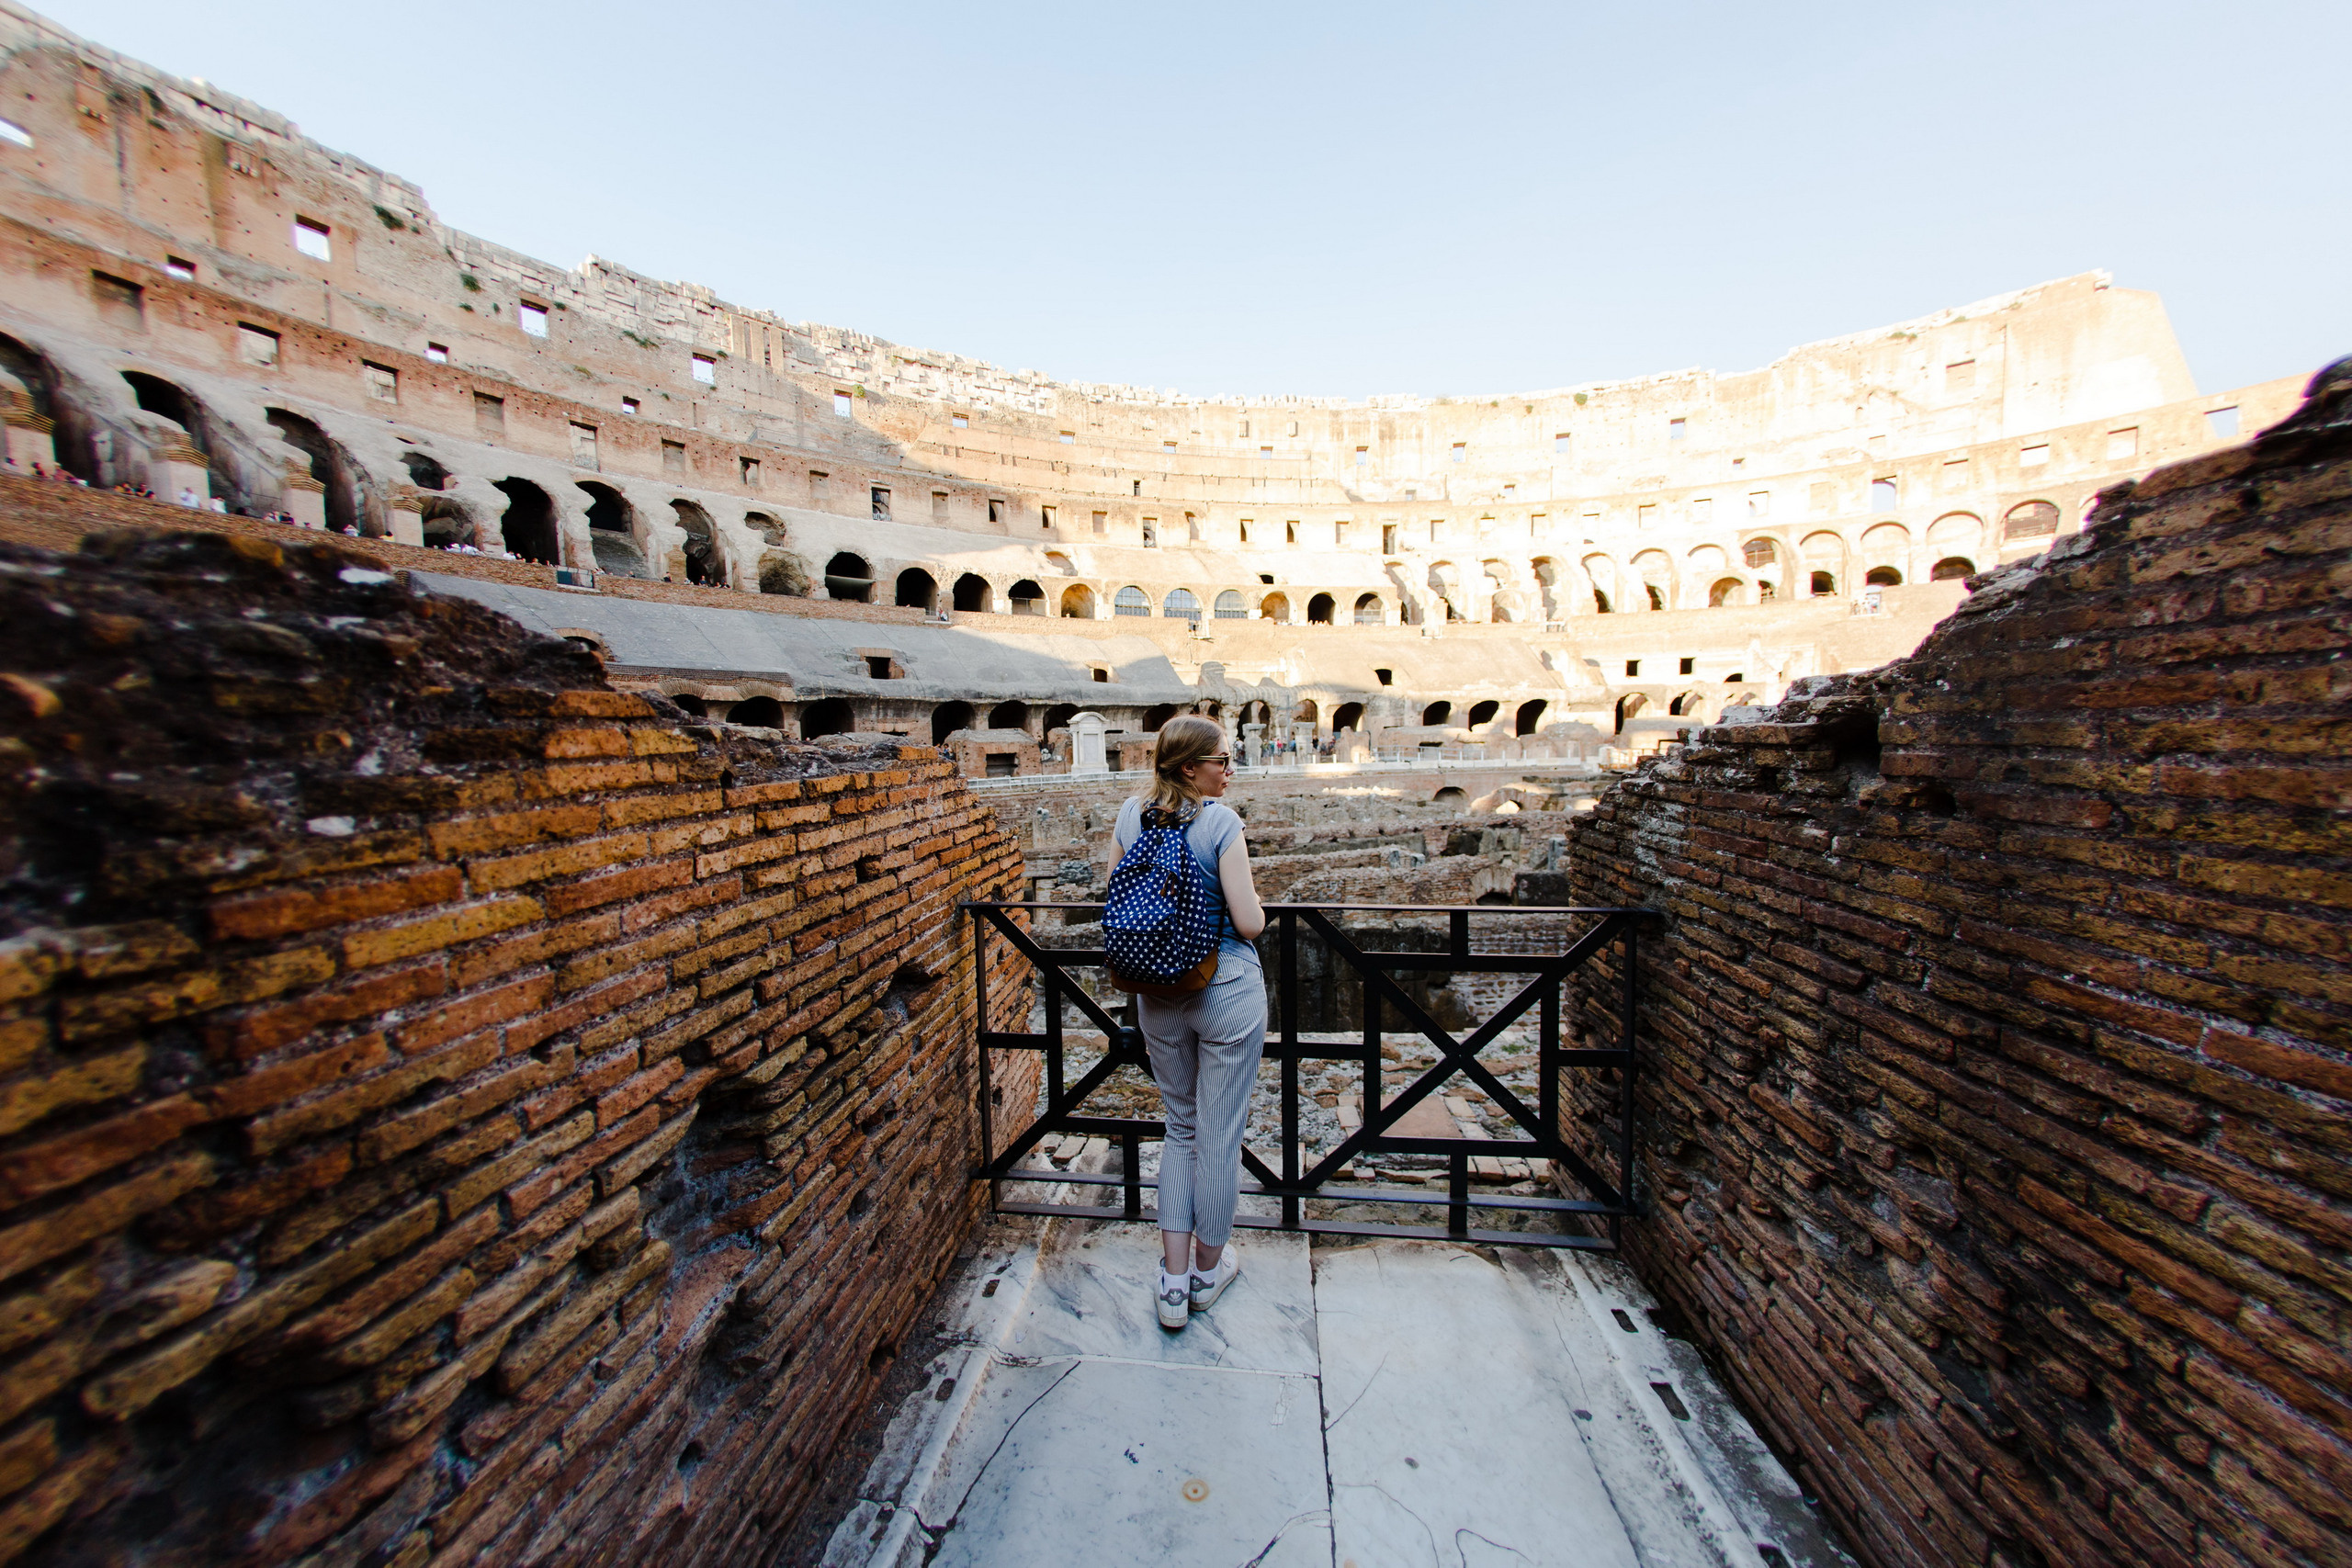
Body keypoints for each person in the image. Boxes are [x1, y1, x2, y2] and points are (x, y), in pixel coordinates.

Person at [1112, 715, 1267, 1331]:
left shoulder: (1130, 815)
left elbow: (1115, 895)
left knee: (1181, 1128)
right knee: (1220, 1135)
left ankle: (1171, 1284)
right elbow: (1250, 923)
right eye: (1222, 761)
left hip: (1155, 990)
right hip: (1224, 986)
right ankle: (1208, 1270)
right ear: (1189, 768)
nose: (1229, 770)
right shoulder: (1222, 822)